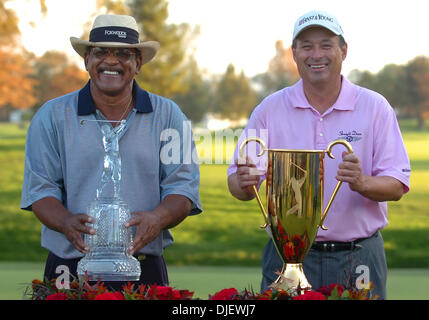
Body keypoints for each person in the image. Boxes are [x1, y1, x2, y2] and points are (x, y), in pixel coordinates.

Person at [227, 10, 410, 299]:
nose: (316, 54)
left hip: (359, 255)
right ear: (294, 53)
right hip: (284, 256)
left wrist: (362, 182)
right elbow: (238, 186)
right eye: (306, 46)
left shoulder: (375, 107)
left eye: (326, 45)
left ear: (343, 51)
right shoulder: (268, 109)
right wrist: (244, 181)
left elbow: (397, 185)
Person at [21, 14, 202, 288]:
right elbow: (40, 189)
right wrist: (65, 221)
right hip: (69, 268)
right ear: (87, 61)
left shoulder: (169, 116)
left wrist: (157, 218)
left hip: (142, 268)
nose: (111, 61)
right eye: (101, 52)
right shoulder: (51, 116)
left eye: (123, 54)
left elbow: (184, 188)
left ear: (138, 63)